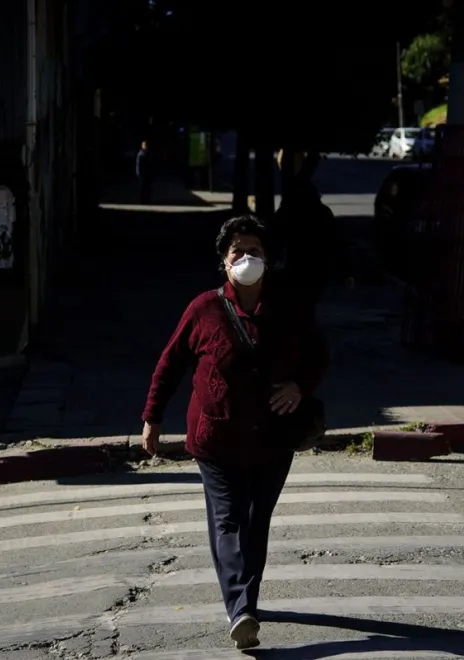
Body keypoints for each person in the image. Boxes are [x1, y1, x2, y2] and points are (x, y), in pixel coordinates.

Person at [140, 214, 329, 650]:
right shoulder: (203, 309)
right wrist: (152, 416)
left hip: (273, 437)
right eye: (237, 252)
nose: (247, 258)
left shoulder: (290, 307)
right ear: (224, 263)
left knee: (255, 522)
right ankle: (240, 610)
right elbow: (169, 364)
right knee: (228, 520)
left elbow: (319, 355)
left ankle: (246, 601)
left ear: (268, 260)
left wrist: (299, 386)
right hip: (216, 438)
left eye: (255, 251)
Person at [271, 149, 356, 315]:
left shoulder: (289, 211)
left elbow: (274, 236)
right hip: (315, 270)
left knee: (296, 309)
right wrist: (347, 272)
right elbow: (336, 243)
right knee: (307, 308)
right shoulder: (321, 213)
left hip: (294, 268)